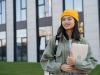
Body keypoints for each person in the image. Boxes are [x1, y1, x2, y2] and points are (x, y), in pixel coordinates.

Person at [40, 9, 97, 75]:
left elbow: (92, 62)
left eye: (69, 19)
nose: (66, 22)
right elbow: (44, 61)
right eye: (63, 19)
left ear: (75, 21)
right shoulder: (54, 40)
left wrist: (76, 62)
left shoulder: (83, 41)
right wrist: (60, 67)